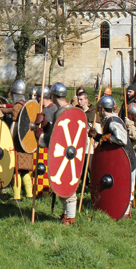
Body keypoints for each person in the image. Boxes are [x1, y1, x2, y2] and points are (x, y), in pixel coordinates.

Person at [89, 95, 136, 219]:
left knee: (126, 186)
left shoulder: (113, 121)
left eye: (100, 109)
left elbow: (121, 139)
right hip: (119, 160)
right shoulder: (110, 120)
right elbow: (109, 141)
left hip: (124, 159)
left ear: (103, 109)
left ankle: (125, 212)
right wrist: (98, 136)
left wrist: (107, 137)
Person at [50, 82, 82, 225]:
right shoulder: (69, 110)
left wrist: (41, 137)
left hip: (68, 155)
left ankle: (70, 217)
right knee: (62, 184)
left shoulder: (63, 112)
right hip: (64, 153)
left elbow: (53, 139)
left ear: (53, 96)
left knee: (68, 185)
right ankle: (65, 214)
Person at [6, 79, 34, 204]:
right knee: (25, 170)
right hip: (27, 144)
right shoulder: (28, 105)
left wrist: (10, 140)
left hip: (18, 143)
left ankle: (17, 197)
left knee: (16, 170)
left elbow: (16, 126)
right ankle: (29, 195)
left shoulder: (17, 106)